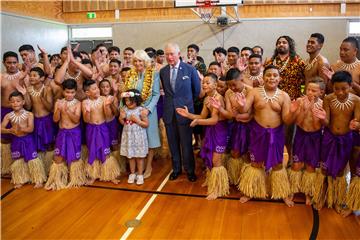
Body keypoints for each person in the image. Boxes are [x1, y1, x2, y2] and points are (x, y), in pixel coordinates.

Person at [236, 65, 296, 207]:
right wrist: (240, 105)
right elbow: (244, 109)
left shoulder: (284, 96)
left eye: (275, 75)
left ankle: (282, 193)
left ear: (279, 78)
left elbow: (287, 120)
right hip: (257, 132)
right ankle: (250, 191)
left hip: (276, 134)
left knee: (277, 164)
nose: (272, 78)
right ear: (263, 77)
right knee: (256, 163)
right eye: (269, 75)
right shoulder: (255, 92)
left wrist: (293, 112)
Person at [312, 71, 360, 213]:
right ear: (332, 87)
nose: (340, 92)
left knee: (340, 170)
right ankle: (321, 196)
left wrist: (355, 125)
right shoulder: (328, 98)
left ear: (351, 85)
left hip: (346, 139)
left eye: (344, 89)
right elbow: (326, 122)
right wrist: (322, 118)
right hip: (329, 137)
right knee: (324, 168)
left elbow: (357, 120)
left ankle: (337, 200)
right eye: (336, 89)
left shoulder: (357, 100)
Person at [176, 73, 229, 200]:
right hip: (210, 130)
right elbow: (202, 117)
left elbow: (214, 120)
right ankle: (212, 182)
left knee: (217, 160)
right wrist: (188, 115)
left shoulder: (218, 98)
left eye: (207, 82)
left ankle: (218, 189)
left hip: (220, 130)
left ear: (215, 85)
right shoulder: (206, 99)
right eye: (203, 82)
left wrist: (198, 122)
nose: (204, 85)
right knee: (210, 158)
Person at [160, 43, 201, 182]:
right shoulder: (163, 71)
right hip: (169, 113)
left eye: (172, 54)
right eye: (167, 54)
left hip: (185, 113)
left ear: (179, 54)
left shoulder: (190, 70)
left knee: (187, 144)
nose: (169, 57)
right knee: (172, 144)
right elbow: (167, 91)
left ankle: (190, 170)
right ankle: (176, 169)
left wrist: (186, 105)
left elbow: (196, 91)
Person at [265, 35, 305, 162]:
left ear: (290, 45)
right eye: (279, 42)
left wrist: (301, 96)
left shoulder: (298, 61)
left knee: (289, 135)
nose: (281, 44)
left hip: (291, 102)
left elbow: (305, 80)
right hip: (273, 101)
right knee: (274, 133)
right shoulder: (270, 62)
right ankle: (273, 158)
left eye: (284, 42)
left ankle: (292, 161)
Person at [210, 68, 252, 186]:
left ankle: (247, 183)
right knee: (235, 153)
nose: (232, 88)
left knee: (249, 155)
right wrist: (220, 109)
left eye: (234, 84)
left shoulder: (251, 91)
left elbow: (250, 115)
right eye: (229, 85)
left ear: (241, 79)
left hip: (251, 128)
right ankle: (237, 179)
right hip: (235, 127)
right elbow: (229, 115)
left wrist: (238, 114)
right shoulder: (228, 93)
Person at [123, 50, 160, 179]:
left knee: (149, 140)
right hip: (132, 111)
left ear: (145, 61)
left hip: (147, 111)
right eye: (136, 61)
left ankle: (148, 165)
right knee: (135, 139)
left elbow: (156, 94)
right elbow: (126, 93)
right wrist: (123, 109)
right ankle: (137, 167)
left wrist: (148, 109)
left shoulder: (153, 73)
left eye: (140, 60)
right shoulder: (130, 74)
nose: (138, 63)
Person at [287, 78, 324, 205]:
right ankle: (292, 189)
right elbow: (297, 122)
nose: (310, 93)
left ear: (321, 92)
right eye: (308, 89)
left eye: (314, 90)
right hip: (301, 135)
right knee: (296, 165)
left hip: (315, 137)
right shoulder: (300, 101)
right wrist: (304, 109)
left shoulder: (323, 104)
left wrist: (313, 111)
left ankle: (308, 192)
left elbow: (318, 125)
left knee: (310, 167)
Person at [45, 79, 85, 190]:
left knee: (74, 158)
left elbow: (76, 120)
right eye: (67, 92)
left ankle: (75, 180)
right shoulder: (58, 102)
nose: (69, 95)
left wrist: (67, 110)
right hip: (62, 132)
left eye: (72, 92)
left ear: (75, 92)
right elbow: (55, 119)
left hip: (74, 132)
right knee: (58, 157)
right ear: (63, 91)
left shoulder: (78, 103)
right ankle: (56, 181)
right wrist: (58, 110)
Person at [1, 91, 46, 188]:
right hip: (16, 140)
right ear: (9, 103)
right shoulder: (8, 116)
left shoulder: (29, 114)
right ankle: (20, 179)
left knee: (32, 159)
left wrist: (21, 129)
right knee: (18, 159)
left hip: (28, 140)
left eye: (18, 101)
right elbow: (1, 129)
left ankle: (38, 179)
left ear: (23, 102)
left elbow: (31, 128)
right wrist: (10, 130)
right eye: (12, 102)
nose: (15, 103)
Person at [17, 67, 54, 175]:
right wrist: (24, 94)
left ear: (42, 78)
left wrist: (42, 98)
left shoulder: (47, 89)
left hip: (47, 120)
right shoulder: (28, 89)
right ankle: (40, 170)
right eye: (30, 75)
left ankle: (50, 169)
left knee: (50, 144)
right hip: (35, 120)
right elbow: (28, 106)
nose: (31, 77)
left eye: (34, 75)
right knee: (38, 145)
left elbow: (49, 107)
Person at [82, 79, 120, 185]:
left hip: (103, 128)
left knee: (105, 150)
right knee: (92, 150)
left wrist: (107, 105)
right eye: (94, 89)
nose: (97, 90)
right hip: (91, 129)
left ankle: (110, 174)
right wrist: (87, 112)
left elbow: (108, 115)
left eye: (97, 88)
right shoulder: (85, 102)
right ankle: (94, 175)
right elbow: (86, 120)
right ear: (87, 92)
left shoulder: (103, 99)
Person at [1, 51, 26, 175]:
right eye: (9, 63)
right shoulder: (0, 77)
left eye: (14, 62)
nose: (12, 65)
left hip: (21, 111)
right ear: (4, 63)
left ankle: (22, 168)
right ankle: (7, 166)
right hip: (4, 110)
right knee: (5, 140)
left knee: (20, 137)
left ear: (18, 63)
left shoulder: (24, 76)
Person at [119, 89, 149, 185]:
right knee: (130, 156)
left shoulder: (141, 110)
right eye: (127, 100)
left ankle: (140, 174)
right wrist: (121, 118)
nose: (129, 103)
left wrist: (137, 120)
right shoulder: (124, 109)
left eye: (131, 100)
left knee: (139, 156)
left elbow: (146, 124)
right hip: (129, 136)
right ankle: (132, 173)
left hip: (138, 136)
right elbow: (123, 123)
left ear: (137, 99)